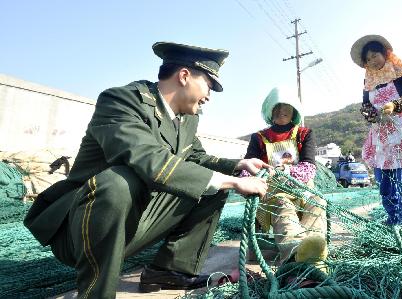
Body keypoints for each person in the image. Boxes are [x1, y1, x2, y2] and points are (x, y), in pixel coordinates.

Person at [24, 42, 272, 298]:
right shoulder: (121, 101)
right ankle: (96, 293)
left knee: (211, 186)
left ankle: (169, 271)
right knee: (117, 182)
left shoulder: (187, 119)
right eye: (209, 84)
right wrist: (232, 182)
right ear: (184, 76)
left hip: (133, 223)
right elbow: (149, 160)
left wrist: (237, 167)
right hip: (81, 232)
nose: (209, 95)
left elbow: (195, 157)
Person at [243, 86, 328, 267]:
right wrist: (258, 175)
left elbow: (309, 167)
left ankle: (314, 252)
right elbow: (246, 169)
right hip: (273, 191)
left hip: (302, 189)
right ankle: (296, 253)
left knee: (318, 202)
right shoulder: (258, 137)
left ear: (294, 111)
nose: (282, 111)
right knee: (283, 205)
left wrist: (287, 170)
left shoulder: (305, 134)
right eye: (277, 107)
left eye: (286, 107)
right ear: (269, 110)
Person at [350, 35, 402, 226]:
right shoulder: (369, 81)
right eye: (368, 59)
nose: (372, 61)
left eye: (375, 55)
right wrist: (370, 115)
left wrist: (395, 104)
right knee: (385, 184)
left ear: (385, 53)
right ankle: (392, 218)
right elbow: (366, 105)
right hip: (381, 139)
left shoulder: (400, 69)